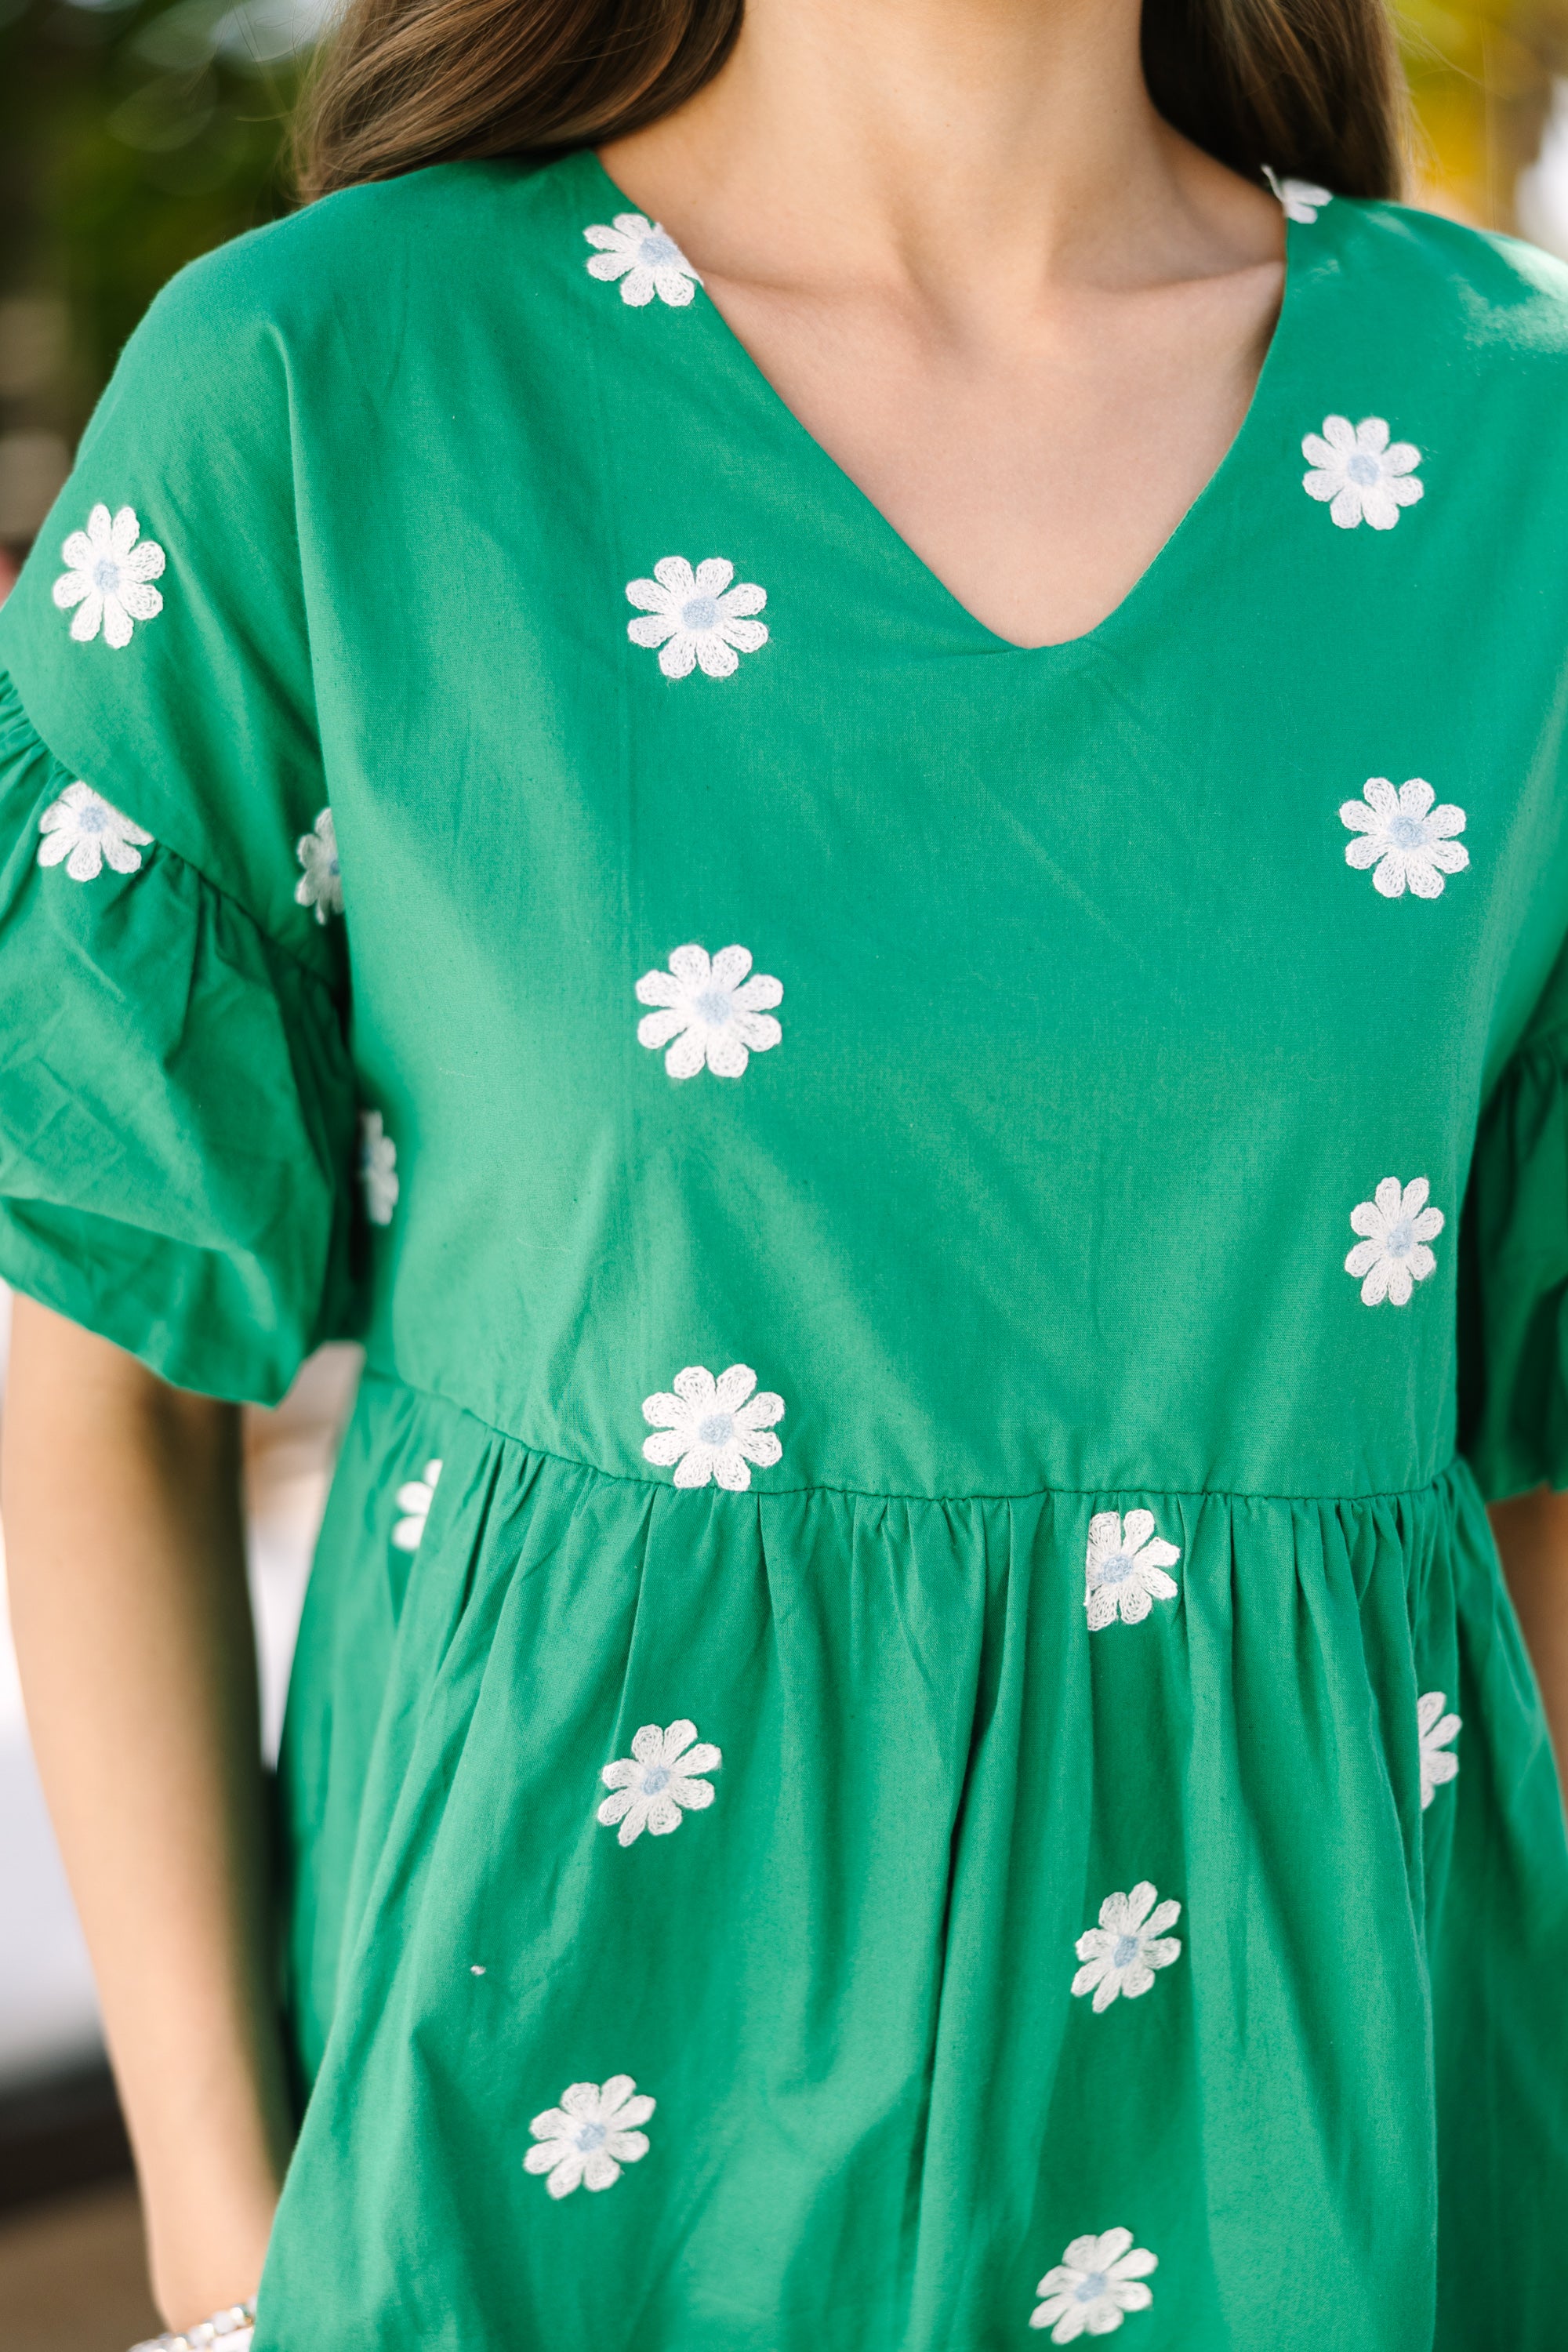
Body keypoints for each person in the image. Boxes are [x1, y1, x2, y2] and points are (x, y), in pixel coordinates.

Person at [2, 0, 1566, 2343]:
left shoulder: (1510, 445)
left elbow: (1536, 1434)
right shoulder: (332, 388)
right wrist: (240, 2248)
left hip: (1304, 2156)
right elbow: (98, 1367)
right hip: (540, 2135)